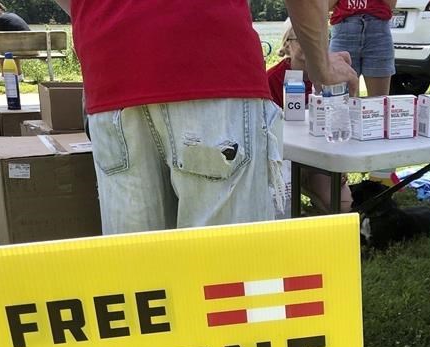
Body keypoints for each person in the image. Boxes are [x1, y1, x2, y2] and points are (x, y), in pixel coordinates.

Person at [53, 0, 357, 234]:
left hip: (110, 68)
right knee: (225, 270)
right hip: (210, 58)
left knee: (138, 273)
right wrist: (322, 67)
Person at [267, 21, 354, 213]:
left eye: (318, 40)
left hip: (319, 160)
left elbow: (341, 122)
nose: (310, 45)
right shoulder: (271, 79)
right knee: (279, 209)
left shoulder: (330, 77)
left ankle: (318, 206)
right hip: (283, 160)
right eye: (301, 39)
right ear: (287, 44)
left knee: (343, 204)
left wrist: (339, 164)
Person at [328, 0, 396, 97]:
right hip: (344, 29)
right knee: (342, 101)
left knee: (378, 102)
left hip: (377, 28)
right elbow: (326, 5)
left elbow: (391, 4)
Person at [0, 4, 30, 78]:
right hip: (31, 48)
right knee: (12, 49)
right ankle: (19, 75)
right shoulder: (12, 15)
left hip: (22, 48)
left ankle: (3, 76)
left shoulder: (0, 19)